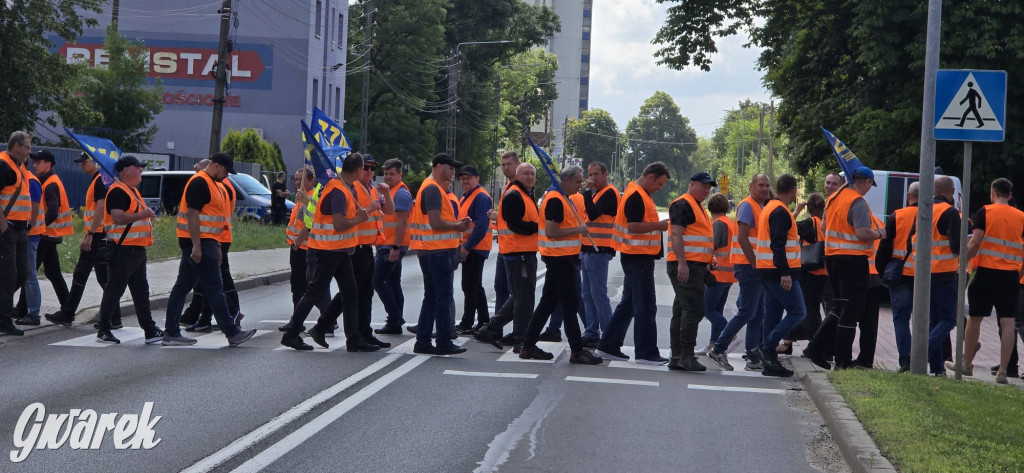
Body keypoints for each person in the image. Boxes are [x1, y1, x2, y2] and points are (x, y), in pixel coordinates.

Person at [279, 153, 378, 352]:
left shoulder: (342, 187)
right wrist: (360, 218)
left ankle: (352, 339)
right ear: (358, 170)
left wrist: (350, 244)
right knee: (314, 293)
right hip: (327, 250)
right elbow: (339, 224)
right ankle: (291, 334)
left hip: (338, 250)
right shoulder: (339, 191)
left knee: (350, 292)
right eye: (364, 169)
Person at [163, 153, 257, 347]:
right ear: (215, 165)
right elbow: (192, 214)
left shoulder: (213, 183)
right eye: (225, 171)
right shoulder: (200, 182)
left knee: (183, 287)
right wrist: (197, 246)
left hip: (206, 242)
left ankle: (171, 332)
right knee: (215, 289)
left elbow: (212, 218)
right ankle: (231, 332)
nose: (226, 175)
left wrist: (217, 245)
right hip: (200, 243)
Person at [518, 165, 602, 365]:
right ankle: (577, 351)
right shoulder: (556, 199)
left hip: (562, 258)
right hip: (560, 259)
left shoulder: (563, 197)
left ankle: (527, 345)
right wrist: (578, 230)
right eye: (578, 182)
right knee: (570, 304)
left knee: (548, 303)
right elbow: (551, 231)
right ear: (566, 180)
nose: (580, 185)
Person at [804, 166, 885, 370]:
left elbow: (824, 227)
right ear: (866, 181)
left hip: (832, 258)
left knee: (839, 307)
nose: (869, 189)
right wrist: (879, 234)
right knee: (851, 309)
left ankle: (816, 348)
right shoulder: (857, 201)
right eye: (870, 185)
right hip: (853, 260)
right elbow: (862, 233)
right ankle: (841, 360)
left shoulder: (833, 199)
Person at [595, 162, 672, 365]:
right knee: (645, 305)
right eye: (660, 183)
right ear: (651, 177)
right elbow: (634, 227)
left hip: (636, 256)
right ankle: (646, 353)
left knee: (629, 304)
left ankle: (608, 346)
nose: (660, 188)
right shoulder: (637, 195)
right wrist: (660, 225)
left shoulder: (636, 192)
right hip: (638, 257)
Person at [951, 178, 1024, 384]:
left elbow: (974, 243)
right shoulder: (1021, 217)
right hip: (1010, 275)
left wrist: (961, 264)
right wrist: (1018, 274)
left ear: (992, 194)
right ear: (1009, 195)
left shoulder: (985, 212)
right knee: (1008, 322)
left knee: (975, 318)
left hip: (986, 272)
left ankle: (966, 364)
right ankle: (1003, 371)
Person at [45, 152, 121, 329]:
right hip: (102, 235)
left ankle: (67, 313)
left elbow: (101, 207)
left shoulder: (100, 180)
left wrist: (90, 234)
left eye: (84, 162)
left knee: (80, 275)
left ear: (94, 162)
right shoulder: (99, 180)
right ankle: (114, 317)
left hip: (97, 235)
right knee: (103, 279)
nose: (81, 165)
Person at [93, 156, 164, 344]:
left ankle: (149, 329)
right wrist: (143, 214)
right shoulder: (118, 191)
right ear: (125, 170)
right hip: (124, 250)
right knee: (114, 291)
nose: (141, 170)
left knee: (141, 292)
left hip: (136, 250)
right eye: (137, 167)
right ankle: (103, 330)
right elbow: (118, 217)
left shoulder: (131, 190)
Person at [707, 174, 771, 371]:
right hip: (749, 266)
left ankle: (753, 358)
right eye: (760, 185)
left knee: (757, 314)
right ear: (751, 187)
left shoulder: (760, 207)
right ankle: (718, 349)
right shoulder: (748, 206)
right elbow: (743, 237)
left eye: (767, 185)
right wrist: (754, 262)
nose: (764, 189)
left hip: (755, 266)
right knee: (747, 312)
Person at [474, 162, 540, 352]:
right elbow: (515, 225)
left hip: (522, 252)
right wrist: (539, 227)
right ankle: (519, 337)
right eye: (526, 173)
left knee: (521, 296)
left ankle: (496, 329)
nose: (530, 177)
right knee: (523, 298)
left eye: (532, 174)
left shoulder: (525, 193)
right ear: (518, 176)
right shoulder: (515, 194)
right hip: (518, 253)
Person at [409, 153, 471, 355]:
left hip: (430, 250)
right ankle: (443, 341)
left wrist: (457, 224)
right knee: (443, 297)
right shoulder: (433, 189)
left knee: (432, 297)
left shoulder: (431, 187)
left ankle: (423, 341)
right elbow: (435, 222)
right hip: (436, 251)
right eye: (450, 167)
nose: (453, 172)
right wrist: (458, 227)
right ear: (438, 167)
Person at [754, 174, 807, 377]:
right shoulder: (780, 211)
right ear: (793, 190)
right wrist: (785, 273)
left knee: (773, 315)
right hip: (780, 273)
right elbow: (778, 244)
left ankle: (770, 362)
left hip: (768, 270)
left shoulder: (770, 208)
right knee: (798, 312)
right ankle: (767, 346)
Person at [184, 160, 245, 332]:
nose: (197, 175)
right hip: (216, 237)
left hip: (215, 237)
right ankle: (204, 317)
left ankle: (230, 314)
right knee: (212, 281)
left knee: (214, 282)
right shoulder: (219, 184)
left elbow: (207, 214)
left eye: (198, 171)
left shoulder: (217, 185)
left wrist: (210, 243)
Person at [665, 172, 717, 371]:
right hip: (686, 265)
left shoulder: (697, 206)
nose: (707, 190)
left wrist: (709, 260)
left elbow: (698, 238)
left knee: (682, 310)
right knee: (693, 310)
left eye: (709, 188)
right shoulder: (683, 204)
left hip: (694, 265)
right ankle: (685, 356)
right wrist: (682, 263)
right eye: (704, 186)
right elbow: (676, 234)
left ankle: (677, 356)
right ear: (692, 184)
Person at [21, 150, 72, 324]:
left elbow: (52, 212)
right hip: (49, 235)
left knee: (28, 272)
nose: (34, 165)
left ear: (48, 164)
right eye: (34, 162)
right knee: (52, 273)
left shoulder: (50, 184)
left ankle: (23, 309)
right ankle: (68, 310)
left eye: (38, 162)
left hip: (45, 235)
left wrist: (38, 225)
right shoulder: (48, 181)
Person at [350, 154, 394, 346]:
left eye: (372, 168)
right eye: (365, 168)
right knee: (353, 293)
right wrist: (369, 208)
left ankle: (365, 334)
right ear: (358, 170)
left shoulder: (372, 189)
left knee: (366, 293)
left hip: (368, 247)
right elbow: (349, 215)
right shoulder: (353, 188)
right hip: (355, 247)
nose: (369, 171)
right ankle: (325, 326)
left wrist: (387, 194)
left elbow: (389, 210)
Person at [778, 193, 829, 354]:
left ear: (809, 208)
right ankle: (791, 341)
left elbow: (787, 227)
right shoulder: (825, 223)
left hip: (809, 271)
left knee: (805, 309)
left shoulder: (810, 223)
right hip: (824, 271)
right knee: (812, 308)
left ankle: (813, 343)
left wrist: (796, 211)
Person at [579, 161, 618, 347]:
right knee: (587, 294)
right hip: (588, 248)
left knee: (598, 294)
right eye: (590, 174)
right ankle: (592, 332)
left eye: (596, 174)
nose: (592, 178)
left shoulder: (609, 192)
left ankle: (609, 335)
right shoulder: (596, 193)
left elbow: (593, 214)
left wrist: (587, 192)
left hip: (599, 249)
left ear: (605, 174)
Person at [373, 158, 412, 335]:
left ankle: (395, 317)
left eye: (392, 174)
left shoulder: (401, 193)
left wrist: (395, 247)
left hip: (392, 245)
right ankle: (395, 322)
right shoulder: (391, 191)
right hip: (388, 243)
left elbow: (402, 222)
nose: (388, 177)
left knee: (377, 281)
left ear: (400, 174)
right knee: (393, 283)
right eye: (386, 173)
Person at [0, 131, 32, 336]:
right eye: (27, 147)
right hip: (8, 227)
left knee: (22, 273)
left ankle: (3, 310)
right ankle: (4, 320)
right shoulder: (3, 164)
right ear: (17, 146)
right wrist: (3, 225)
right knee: (8, 274)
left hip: (20, 228)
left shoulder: (19, 165)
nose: (29, 151)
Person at [455, 165, 492, 334]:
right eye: (463, 178)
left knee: (470, 285)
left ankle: (467, 323)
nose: (465, 181)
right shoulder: (467, 196)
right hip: (472, 246)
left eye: (469, 178)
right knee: (474, 285)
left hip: (475, 247)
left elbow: (481, 226)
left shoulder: (480, 197)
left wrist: (467, 247)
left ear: (477, 179)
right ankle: (483, 321)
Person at [697, 192, 735, 356]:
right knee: (716, 311)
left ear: (710, 208)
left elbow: (712, 247)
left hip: (718, 274)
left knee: (707, 309)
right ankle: (713, 344)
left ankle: (731, 336)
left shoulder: (718, 224)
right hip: (729, 274)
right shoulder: (729, 222)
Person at [14, 160, 44, 324]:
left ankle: (34, 314)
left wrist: (28, 227)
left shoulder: (30, 180)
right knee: (21, 273)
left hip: (29, 236)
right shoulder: (23, 179)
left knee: (29, 274)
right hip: (22, 234)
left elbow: (35, 206)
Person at [492, 151, 520, 313]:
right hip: (504, 246)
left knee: (513, 292)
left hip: (514, 249)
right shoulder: (509, 186)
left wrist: (498, 216)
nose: (506, 168)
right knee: (500, 288)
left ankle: (516, 327)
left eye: (509, 164)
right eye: (503, 165)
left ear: (517, 164)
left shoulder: (519, 187)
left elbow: (516, 217)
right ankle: (497, 325)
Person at [286, 168, 317, 306]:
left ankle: (298, 316)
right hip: (297, 246)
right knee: (298, 285)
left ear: (311, 181)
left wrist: (296, 244)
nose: (297, 182)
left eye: (301, 179)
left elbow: (308, 225)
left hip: (303, 247)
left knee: (301, 286)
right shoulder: (301, 196)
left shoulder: (310, 197)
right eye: (296, 179)